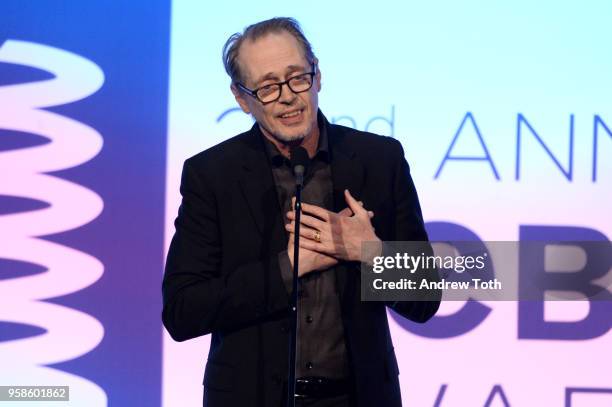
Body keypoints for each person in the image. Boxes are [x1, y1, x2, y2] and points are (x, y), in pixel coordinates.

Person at [162, 17, 441, 407]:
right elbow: (182, 311)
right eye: (268, 87)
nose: (288, 96)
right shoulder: (213, 176)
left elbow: (425, 300)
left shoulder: (380, 160)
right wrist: (287, 268)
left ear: (318, 75)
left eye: (297, 78)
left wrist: (368, 254)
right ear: (242, 99)